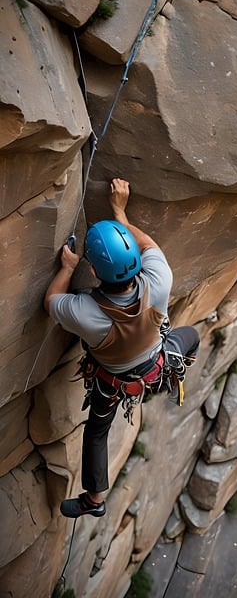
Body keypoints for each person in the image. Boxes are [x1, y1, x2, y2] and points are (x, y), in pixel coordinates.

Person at [44, 178, 200, 518]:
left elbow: (51, 301)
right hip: (157, 364)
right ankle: (180, 364)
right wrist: (120, 211)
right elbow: (147, 245)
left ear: (96, 270)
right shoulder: (160, 280)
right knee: (190, 335)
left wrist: (68, 268)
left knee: (97, 432)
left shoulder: (86, 313)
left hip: (112, 382)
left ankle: (94, 500)